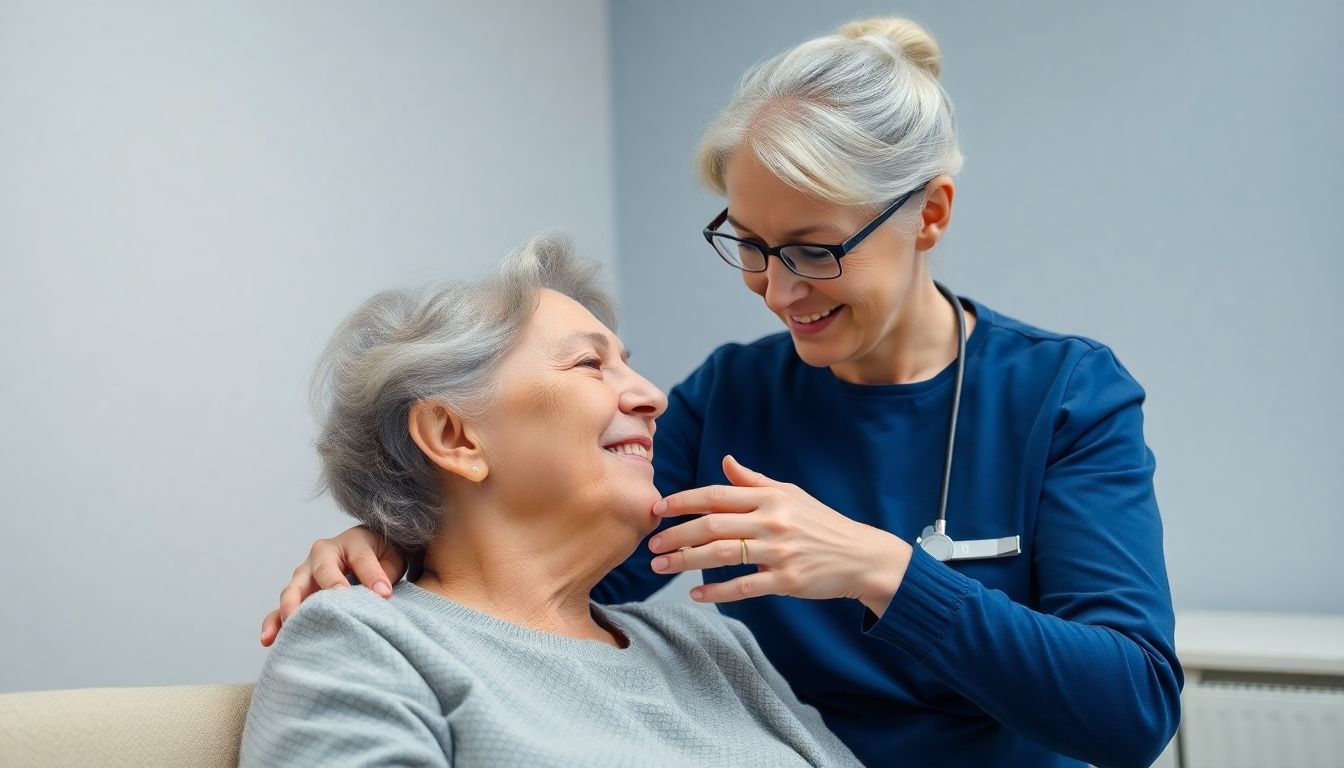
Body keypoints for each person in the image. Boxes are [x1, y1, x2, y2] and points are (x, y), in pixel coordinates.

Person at [260, 17, 1181, 768]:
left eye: (816, 249)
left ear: (930, 214)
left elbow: (1133, 709)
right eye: (750, 244)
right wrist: (396, 531)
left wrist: (887, 573)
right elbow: (538, 566)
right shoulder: (728, 400)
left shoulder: (1061, 396)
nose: (779, 291)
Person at [240, 234, 863, 767]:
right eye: (591, 364)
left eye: (628, 364)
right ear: (453, 436)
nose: (653, 397)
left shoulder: (710, 646)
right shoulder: (363, 641)